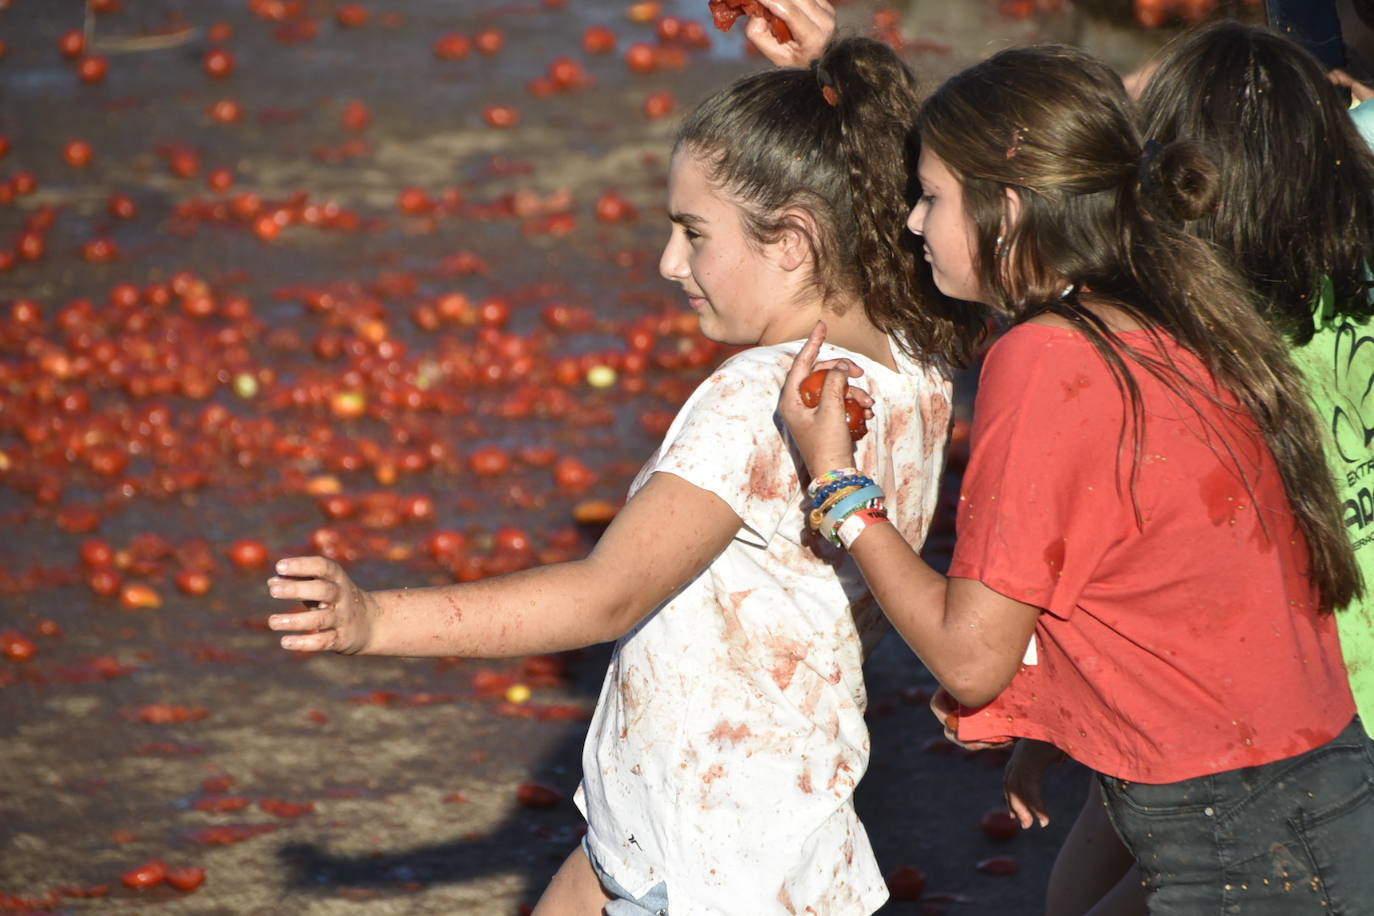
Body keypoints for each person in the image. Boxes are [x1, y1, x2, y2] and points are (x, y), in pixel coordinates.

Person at [266, 37, 981, 916]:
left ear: (794, 241)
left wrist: (375, 621)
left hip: (699, 860)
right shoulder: (921, 359)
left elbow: (604, 597)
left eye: (692, 233)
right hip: (773, 820)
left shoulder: (755, 401)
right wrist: (831, 74)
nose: (667, 263)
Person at [779, 43, 1374, 914]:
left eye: (932, 197)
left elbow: (970, 657)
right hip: (1313, 795)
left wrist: (839, 487)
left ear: (1007, 210)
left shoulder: (1049, 356)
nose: (912, 223)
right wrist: (1050, 723)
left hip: (1239, 840)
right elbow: (1168, 583)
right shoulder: (1179, 306)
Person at [1000, 22, 1374, 915]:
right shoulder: (1349, 289)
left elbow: (1161, 583)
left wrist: (1042, 721)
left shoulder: (1194, 369)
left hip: (1298, 733)